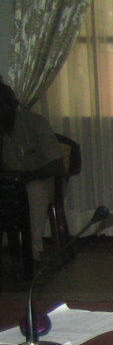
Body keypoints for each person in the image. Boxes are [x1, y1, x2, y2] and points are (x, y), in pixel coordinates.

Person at [0, 78, 64, 262]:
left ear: (12, 105)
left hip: (43, 180)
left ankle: (31, 250)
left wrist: (28, 177)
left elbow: (56, 165)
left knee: (33, 190)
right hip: (10, 183)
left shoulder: (35, 123)